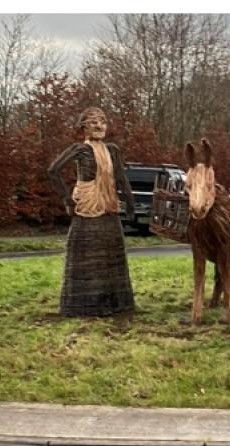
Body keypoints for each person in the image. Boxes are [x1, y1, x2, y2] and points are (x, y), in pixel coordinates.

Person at [47, 107, 137, 317]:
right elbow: (53, 170)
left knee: (111, 254)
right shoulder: (80, 149)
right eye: (93, 122)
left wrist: (130, 201)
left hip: (108, 207)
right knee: (85, 253)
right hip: (88, 206)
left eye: (102, 121)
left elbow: (120, 177)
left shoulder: (112, 150)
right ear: (84, 127)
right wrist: (68, 199)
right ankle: (84, 304)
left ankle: (116, 303)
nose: (99, 126)